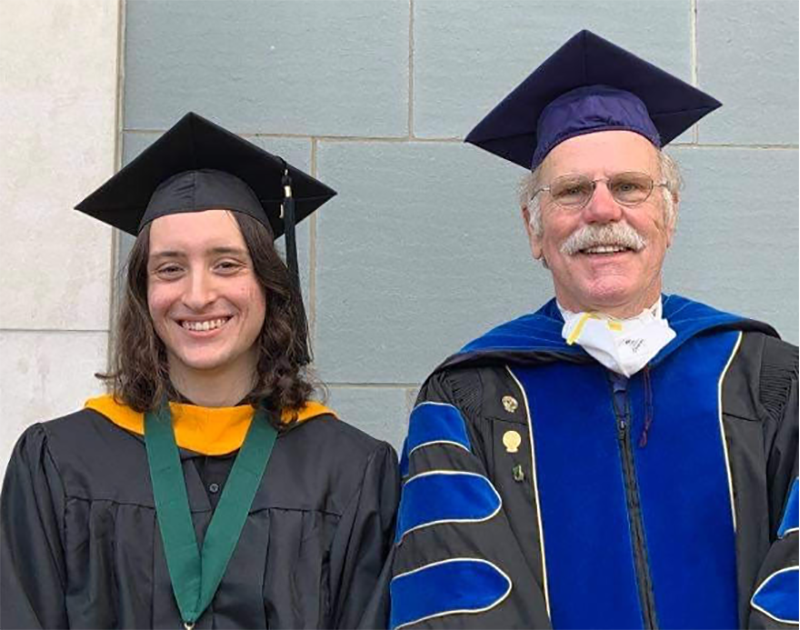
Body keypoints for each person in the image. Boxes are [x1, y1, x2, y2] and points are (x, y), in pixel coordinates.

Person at [387, 31, 797, 630]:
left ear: (669, 215)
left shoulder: (768, 380)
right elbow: (451, 604)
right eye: (573, 191)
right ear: (534, 229)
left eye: (630, 187)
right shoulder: (466, 401)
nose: (603, 211)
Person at [0, 112, 399, 630]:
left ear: (268, 286)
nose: (196, 294)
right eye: (169, 268)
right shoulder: (58, 465)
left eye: (226, 264)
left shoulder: (351, 474)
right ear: (145, 294)